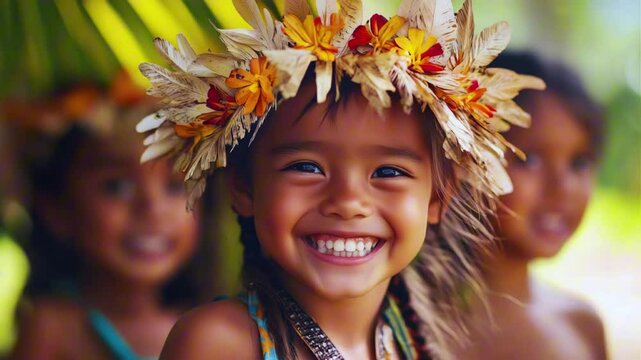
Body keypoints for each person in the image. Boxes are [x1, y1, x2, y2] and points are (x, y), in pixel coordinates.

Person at [135, 0, 544, 358]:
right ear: (243, 186)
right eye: (307, 167)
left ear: (438, 197)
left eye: (388, 172)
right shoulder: (217, 343)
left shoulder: (418, 343)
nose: (348, 202)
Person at [8, 72, 212, 360]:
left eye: (174, 186)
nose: (152, 207)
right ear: (57, 210)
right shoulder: (53, 327)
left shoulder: (211, 325)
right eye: (118, 187)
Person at [454, 51, 608, 359]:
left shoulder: (582, 326)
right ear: (462, 162)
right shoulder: (409, 327)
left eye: (579, 162)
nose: (562, 188)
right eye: (531, 159)